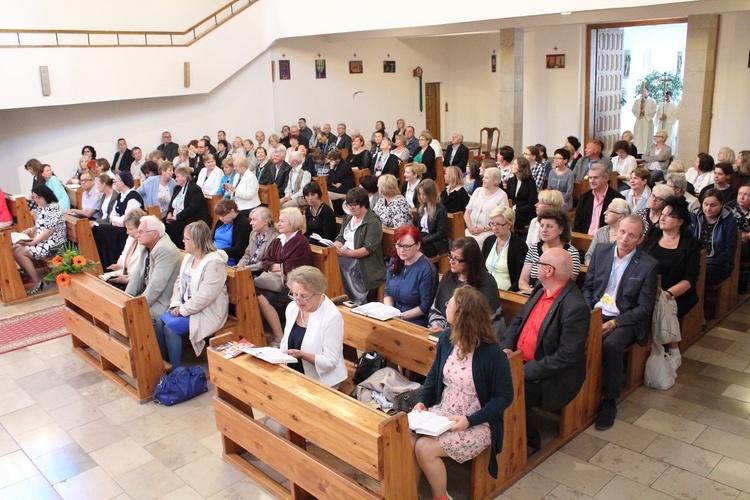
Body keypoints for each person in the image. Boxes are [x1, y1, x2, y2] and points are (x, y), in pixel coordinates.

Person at [412, 286, 513, 499]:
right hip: (445, 410)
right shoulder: (447, 337)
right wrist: (422, 402)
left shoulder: (492, 354)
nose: (446, 305)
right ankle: (409, 494)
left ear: (462, 315)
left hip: (477, 421)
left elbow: (505, 397)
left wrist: (470, 420)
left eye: (451, 303)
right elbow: (433, 375)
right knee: (409, 439)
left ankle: (440, 497)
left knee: (424, 448)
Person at [501, 248, 589, 455]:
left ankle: (530, 441)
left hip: (552, 375)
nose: (535, 266)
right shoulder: (541, 288)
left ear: (549, 271)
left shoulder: (575, 307)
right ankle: (494, 431)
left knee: (511, 391)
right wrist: (506, 346)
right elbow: (519, 320)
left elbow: (566, 356)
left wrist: (525, 371)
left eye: (539, 263)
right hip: (519, 360)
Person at [583, 215, 658, 430]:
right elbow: (588, 287)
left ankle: (609, 401)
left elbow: (644, 308)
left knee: (611, 345)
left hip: (625, 319)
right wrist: (590, 312)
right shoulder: (602, 251)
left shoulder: (648, 265)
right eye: (622, 232)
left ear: (640, 239)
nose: (624, 238)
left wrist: (615, 323)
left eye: (632, 235)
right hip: (596, 311)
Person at [154, 221, 228, 368]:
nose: (183, 241)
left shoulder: (214, 263)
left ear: (197, 241)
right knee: (159, 322)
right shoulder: (189, 257)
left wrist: (182, 310)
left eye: (186, 238)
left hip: (207, 310)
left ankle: (176, 369)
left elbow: (206, 296)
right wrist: (176, 303)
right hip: (186, 306)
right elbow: (178, 282)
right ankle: (164, 364)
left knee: (171, 328)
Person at [642, 196, 701, 369]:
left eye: (669, 215)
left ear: (680, 221)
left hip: (675, 292)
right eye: (663, 213)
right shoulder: (653, 234)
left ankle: (672, 348)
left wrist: (667, 294)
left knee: (664, 304)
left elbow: (690, 278)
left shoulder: (691, 244)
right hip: (647, 287)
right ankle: (663, 346)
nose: (662, 217)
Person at [280, 266, 347, 387]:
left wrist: (302, 355)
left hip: (322, 380)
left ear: (318, 294)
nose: (298, 300)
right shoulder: (292, 308)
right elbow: (285, 342)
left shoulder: (332, 317)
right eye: (295, 294)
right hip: (294, 371)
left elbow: (330, 362)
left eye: (304, 296)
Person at [257, 208, 314, 347]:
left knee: (261, 298)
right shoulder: (278, 240)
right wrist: (278, 266)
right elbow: (265, 261)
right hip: (277, 280)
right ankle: (262, 332)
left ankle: (279, 336)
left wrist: (277, 267)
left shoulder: (300, 242)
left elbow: (292, 269)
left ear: (292, 223)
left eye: (282, 221)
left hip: (295, 284)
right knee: (251, 292)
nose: (278, 223)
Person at [428, 237, 503, 334]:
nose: (451, 262)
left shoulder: (487, 283)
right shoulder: (448, 277)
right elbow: (437, 309)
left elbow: (485, 323)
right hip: (445, 332)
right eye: (450, 256)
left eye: (457, 259)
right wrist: (436, 325)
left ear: (470, 261)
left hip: (473, 338)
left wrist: (450, 334)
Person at [334, 187, 386, 305]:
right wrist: (333, 247)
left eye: (354, 205)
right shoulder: (348, 218)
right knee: (330, 262)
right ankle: (338, 297)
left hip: (365, 260)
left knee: (343, 264)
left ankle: (355, 300)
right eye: (349, 205)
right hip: (345, 252)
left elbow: (368, 249)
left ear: (363, 204)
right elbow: (341, 238)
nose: (350, 208)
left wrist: (346, 253)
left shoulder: (373, 221)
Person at [125, 216, 183, 321]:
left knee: (128, 318)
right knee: (118, 312)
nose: (138, 235)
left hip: (162, 302)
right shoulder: (145, 245)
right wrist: (125, 298)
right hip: (147, 296)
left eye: (141, 232)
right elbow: (137, 274)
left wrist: (137, 306)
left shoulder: (165, 249)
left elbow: (156, 286)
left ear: (154, 234)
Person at [13, 185, 67, 295]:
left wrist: (33, 242)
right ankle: (30, 275)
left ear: (45, 196)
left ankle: (36, 280)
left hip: (53, 244)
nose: (35, 200)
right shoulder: (44, 208)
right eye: (34, 197)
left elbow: (49, 231)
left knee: (19, 252)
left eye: (37, 197)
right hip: (45, 240)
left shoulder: (53, 209)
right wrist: (30, 229)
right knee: (14, 248)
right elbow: (41, 225)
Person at [384, 226, 437, 326]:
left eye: (406, 246)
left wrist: (400, 317)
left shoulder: (426, 269)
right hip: (393, 317)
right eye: (398, 245)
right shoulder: (395, 259)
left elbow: (424, 307)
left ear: (418, 245)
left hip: (414, 322)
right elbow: (388, 292)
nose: (401, 250)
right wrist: (389, 312)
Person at [519, 208, 581, 291]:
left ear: (561, 229)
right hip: (531, 293)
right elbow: (522, 281)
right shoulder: (534, 248)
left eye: (549, 226)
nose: (544, 230)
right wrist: (533, 294)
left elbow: (568, 286)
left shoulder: (571, 253)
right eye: (542, 226)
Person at [692, 189, 739, 287]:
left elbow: (729, 251)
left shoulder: (729, 221)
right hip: (695, 259)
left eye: (713, 205)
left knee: (696, 274)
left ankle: (698, 301)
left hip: (720, 264)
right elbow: (687, 240)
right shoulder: (695, 216)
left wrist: (706, 261)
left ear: (721, 204)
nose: (708, 209)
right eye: (705, 204)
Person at [164, 166, 212, 249]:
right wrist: (169, 213)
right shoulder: (177, 188)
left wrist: (177, 217)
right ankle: (169, 248)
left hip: (191, 217)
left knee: (174, 227)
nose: (176, 179)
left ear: (184, 177)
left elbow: (192, 208)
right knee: (163, 223)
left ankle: (181, 248)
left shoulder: (194, 189)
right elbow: (172, 203)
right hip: (176, 214)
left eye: (178, 177)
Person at [481, 206, 527, 291]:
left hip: (507, 292)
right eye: (492, 223)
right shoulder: (489, 241)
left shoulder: (519, 246)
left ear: (509, 224)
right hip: (486, 288)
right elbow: (482, 269)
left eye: (499, 224)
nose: (494, 228)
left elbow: (519, 280)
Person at [573, 164, 623, 235]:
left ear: (605, 178)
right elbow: (577, 224)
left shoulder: (617, 198)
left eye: (595, 178)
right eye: (590, 178)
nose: (592, 181)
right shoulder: (584, 198)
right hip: (584, 238)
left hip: (605, 240)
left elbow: (619, 226)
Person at [464, 167, 508, 246]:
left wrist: (483, 229)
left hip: (490, 231)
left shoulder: (502, 195)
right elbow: (467, 212)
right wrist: (470, 227)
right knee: (460, 241)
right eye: (483, 177)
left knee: (472, 244)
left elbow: (502, 220)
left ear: (494, 180)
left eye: (486, 178)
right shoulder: (478, 191)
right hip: (471, 230)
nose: (483, 179)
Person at [103, 209, 146, 290]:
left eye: (130, 229)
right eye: (126, 228)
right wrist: (119, 265)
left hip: (135, 285)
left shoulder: (146, 244)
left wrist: (127, 280)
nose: (127, 232)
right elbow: (123, 255)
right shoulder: (131, 238)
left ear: (140, 227)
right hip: (124, 277)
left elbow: (144, 275)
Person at [585, 198, 631, 265]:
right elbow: (589, 255)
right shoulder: (601, 231)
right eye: (607, 210)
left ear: (621, 217)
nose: (605, 213)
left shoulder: (626, 235)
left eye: (610, 211)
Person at [236, 207, 279, 275]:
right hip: (248, 270)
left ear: (265, 221)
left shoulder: (275, 238)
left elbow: (265, 263)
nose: (251, 223)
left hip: (262, 272)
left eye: (254, 220)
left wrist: (245, 269)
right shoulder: (253, 234)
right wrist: (239, 266)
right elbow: (247, 254)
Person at [414, 179, 449, 258]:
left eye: (424, 194)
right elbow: (418, 227)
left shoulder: (440, 209)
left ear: (431, 194)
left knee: (415, 251)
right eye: (420, 194)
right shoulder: (421, 207)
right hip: (422, 237)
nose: (421, 197)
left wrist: (423, 240)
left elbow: (440, 233)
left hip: (435, 242)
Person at [212, 199, 251, 267]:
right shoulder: (221, 221)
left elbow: (239, 249)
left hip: (229, 259)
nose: (221, 218)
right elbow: (212, 238)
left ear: (232, 211)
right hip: (214, 255)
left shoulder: (243, 225)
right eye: (219, 216)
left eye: (223, 216)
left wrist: (219, 252)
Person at [506, 157, 538, 230]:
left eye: (514, 164)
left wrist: (516, 210)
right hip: (512, 210)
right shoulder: (511, 181)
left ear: (521, 167)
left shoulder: (530, 182)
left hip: (524, 212)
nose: (512, 166)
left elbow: (531, 203)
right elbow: (509, 198)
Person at [631, 86, 657, 153]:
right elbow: (633, 110)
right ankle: (638, 152)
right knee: (638, 138)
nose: (643, 93)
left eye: (645, 91)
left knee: (647, 139)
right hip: (639, 121)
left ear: (648, 92)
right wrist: (639, 111)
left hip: (647, 122)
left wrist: (645, 112)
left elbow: (653, 111)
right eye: (642, 91)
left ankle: (647, 153)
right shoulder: (637, 101)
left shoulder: (652, 101)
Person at [728, 185, 750, 263]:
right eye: (740, 193)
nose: (741, 197)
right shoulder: (728, 207)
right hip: (731, 239)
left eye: (746, 195)